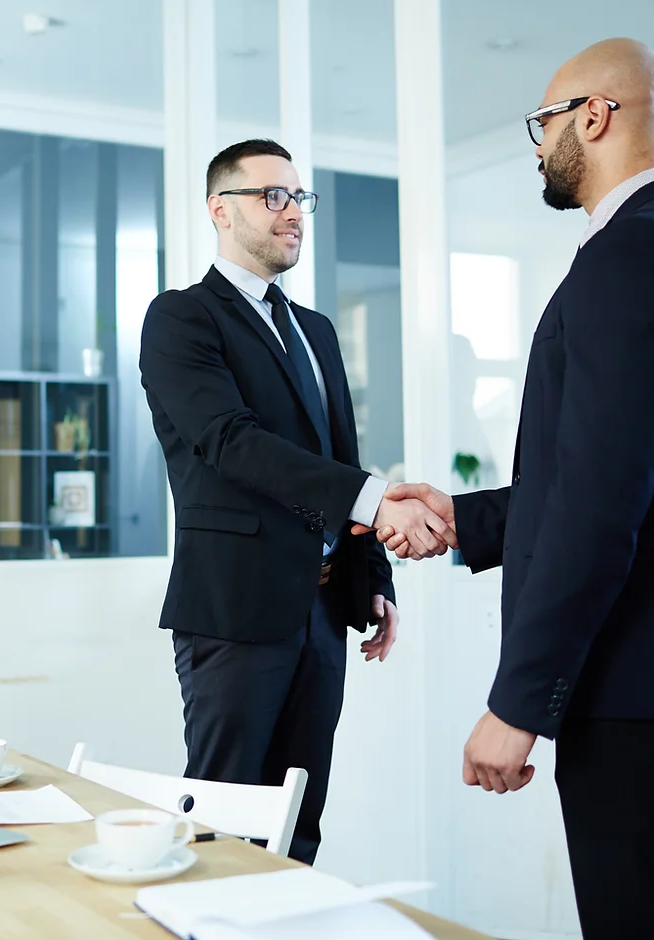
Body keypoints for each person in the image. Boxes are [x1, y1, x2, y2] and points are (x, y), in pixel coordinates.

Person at [360, 39, 654, 937]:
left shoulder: (634, 255)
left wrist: (518, 703)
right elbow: (603, 479)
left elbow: (601, 508)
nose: (539, 144)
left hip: (637, 671)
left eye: (544, 122)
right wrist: (459, 518)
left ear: (594, 117)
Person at [139, 139, 451, 864]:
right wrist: (378, 504)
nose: (293, 214)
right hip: (236, 611)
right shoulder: (183, 318)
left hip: (322, 609)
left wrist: (373, 577)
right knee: (222, 821)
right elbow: (231, 442)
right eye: (272, 196)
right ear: (221, 210)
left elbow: (340, 458)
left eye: (299, 198)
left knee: (297, 823)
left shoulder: (316, 331)